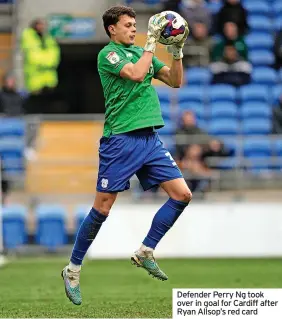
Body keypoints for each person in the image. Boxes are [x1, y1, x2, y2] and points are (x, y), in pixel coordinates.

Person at [61, 6, 190, 306]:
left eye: (135, 25)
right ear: (112, 30)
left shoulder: (142, 53)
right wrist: (150, 44)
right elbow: (135, 75)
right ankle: (73, 269)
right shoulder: (108, 55)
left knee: (182, 194)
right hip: (120, 140)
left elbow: (175, 80)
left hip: (149, 139)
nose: (134, 29)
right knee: (102, 209)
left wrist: (179, 51)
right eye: (128, 25)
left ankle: (146, 250)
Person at [20, 18, 63, 113]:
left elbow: (55, 54)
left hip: (49, 81)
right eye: (39, 25)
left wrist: (46, 61)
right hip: (35, 82)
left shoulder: (48, 37)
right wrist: (47, 62)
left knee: (48, 106)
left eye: (43, 25)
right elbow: (33, 57)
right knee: (35, 107)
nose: (42, 27)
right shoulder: (28, 36)